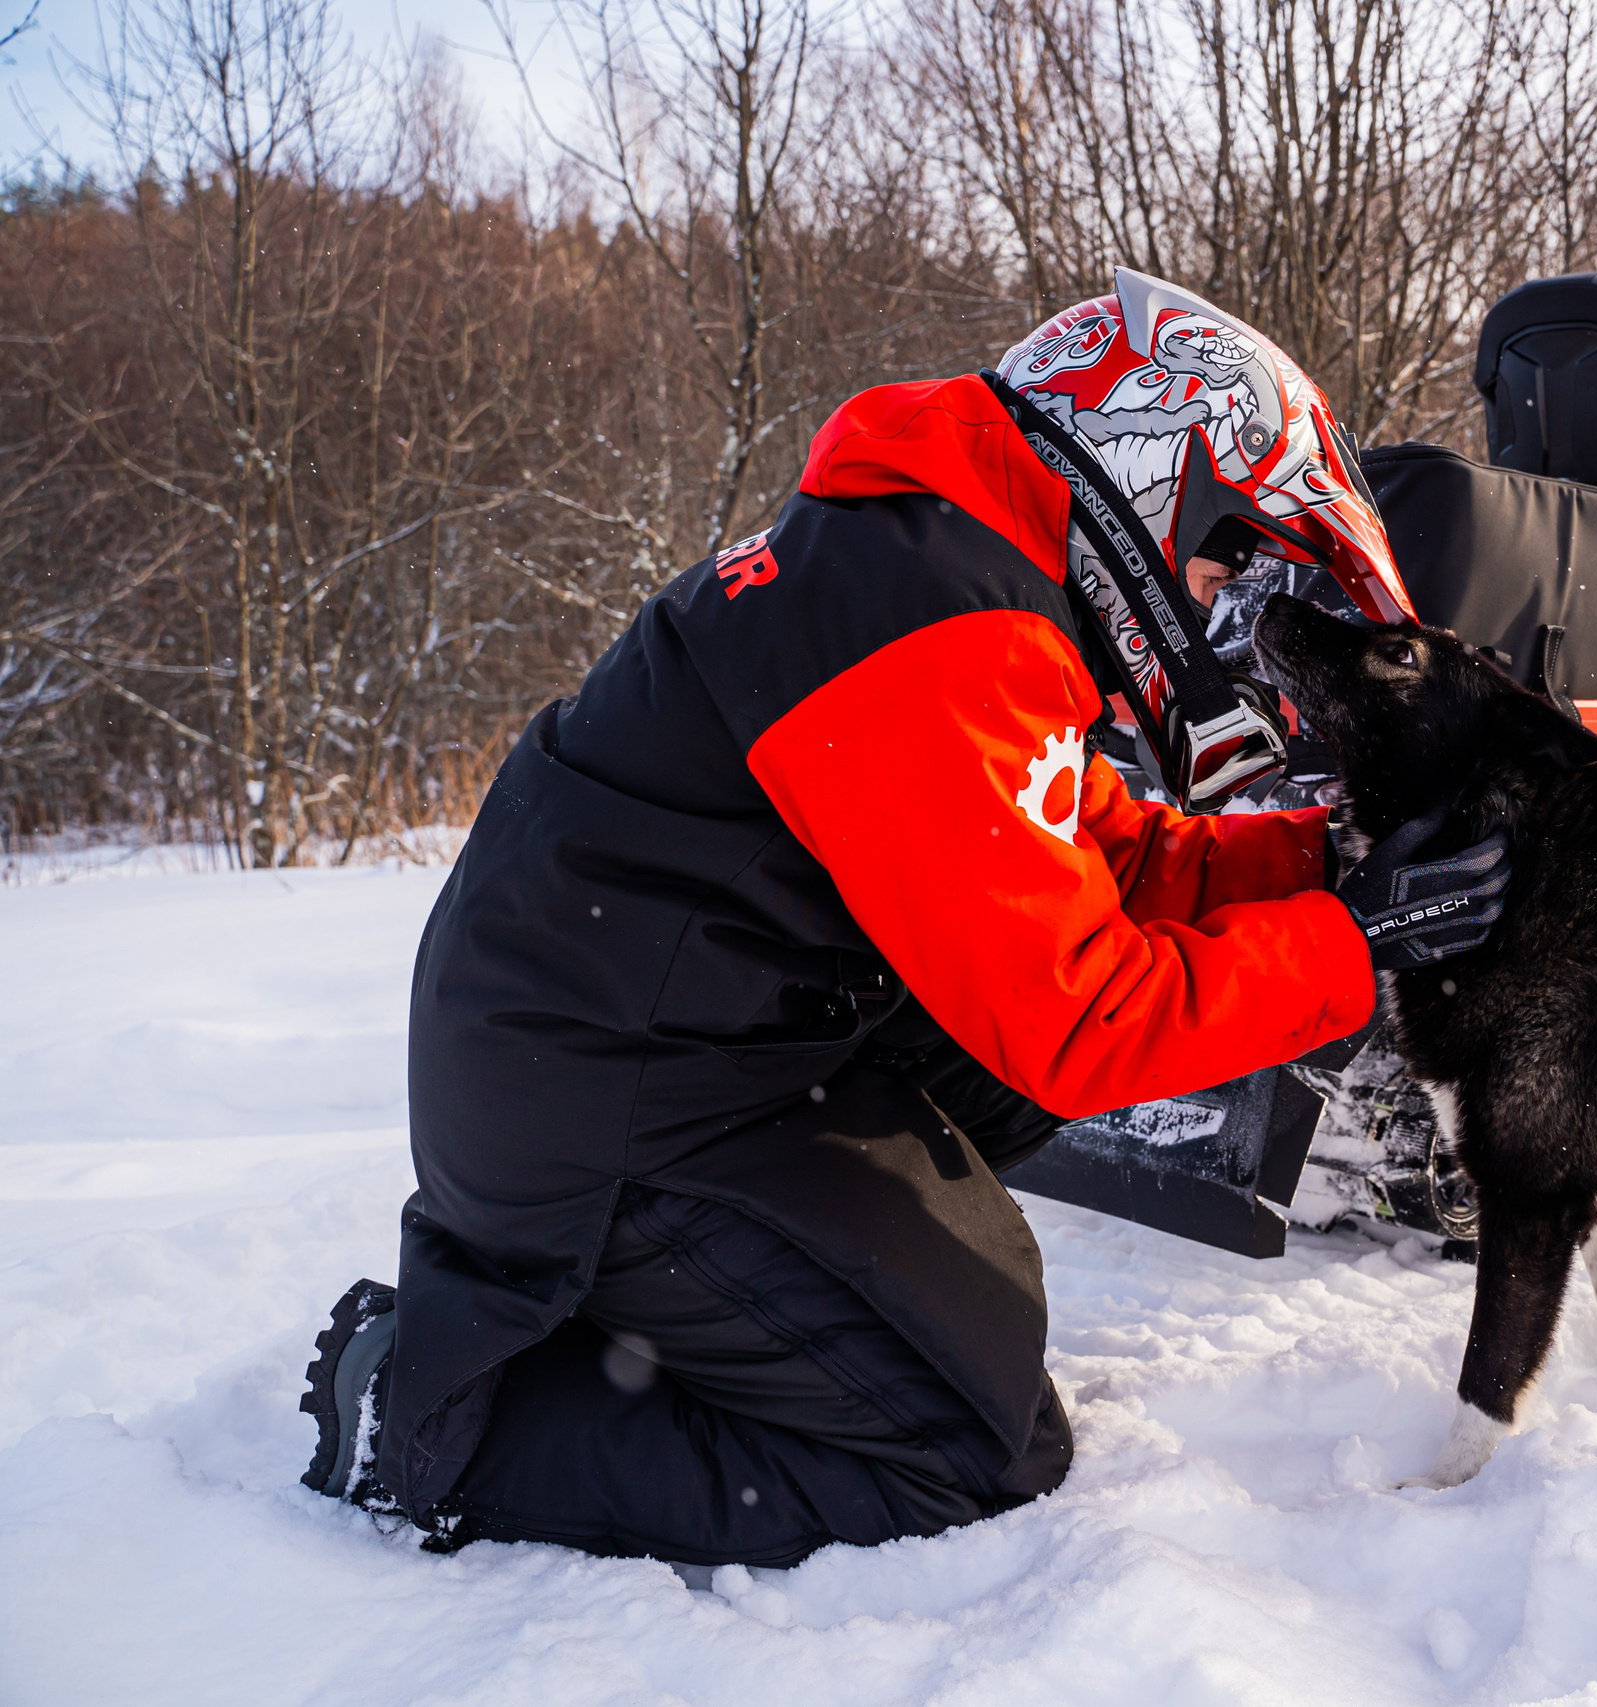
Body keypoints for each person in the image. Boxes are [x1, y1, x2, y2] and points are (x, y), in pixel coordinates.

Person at [296, 269, 1513, 1566]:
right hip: (613, 1111)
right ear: (1148, 480)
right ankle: (437, 1423)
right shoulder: (939, 631)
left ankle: (722, 1314)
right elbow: (1082, 1015)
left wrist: (1333, 862)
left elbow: (1111, 864)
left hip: (672, 1044)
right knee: (962, 1450)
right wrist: (1358, 941)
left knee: (993, 1151)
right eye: (1227, 559)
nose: (1225, 605)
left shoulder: (949, 573)